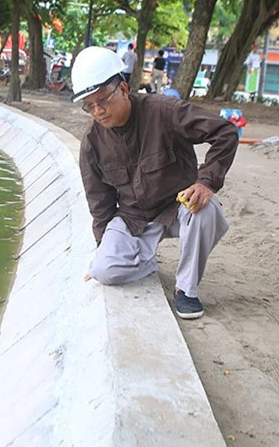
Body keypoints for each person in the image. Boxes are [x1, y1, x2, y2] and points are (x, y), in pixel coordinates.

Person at [72, 46, 239, 320]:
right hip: (133, 217)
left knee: (206, 210)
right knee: (103, 271)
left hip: (179, 207)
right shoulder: (92, 143)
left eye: (102, 100)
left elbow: (225, 132)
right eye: (89, 106)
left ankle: (186, 289)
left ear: (124, 90)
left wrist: (206, 182)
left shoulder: (165, 111)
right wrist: (106, 251)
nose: (98, 111)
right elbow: (99, 203)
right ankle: (145, 262)